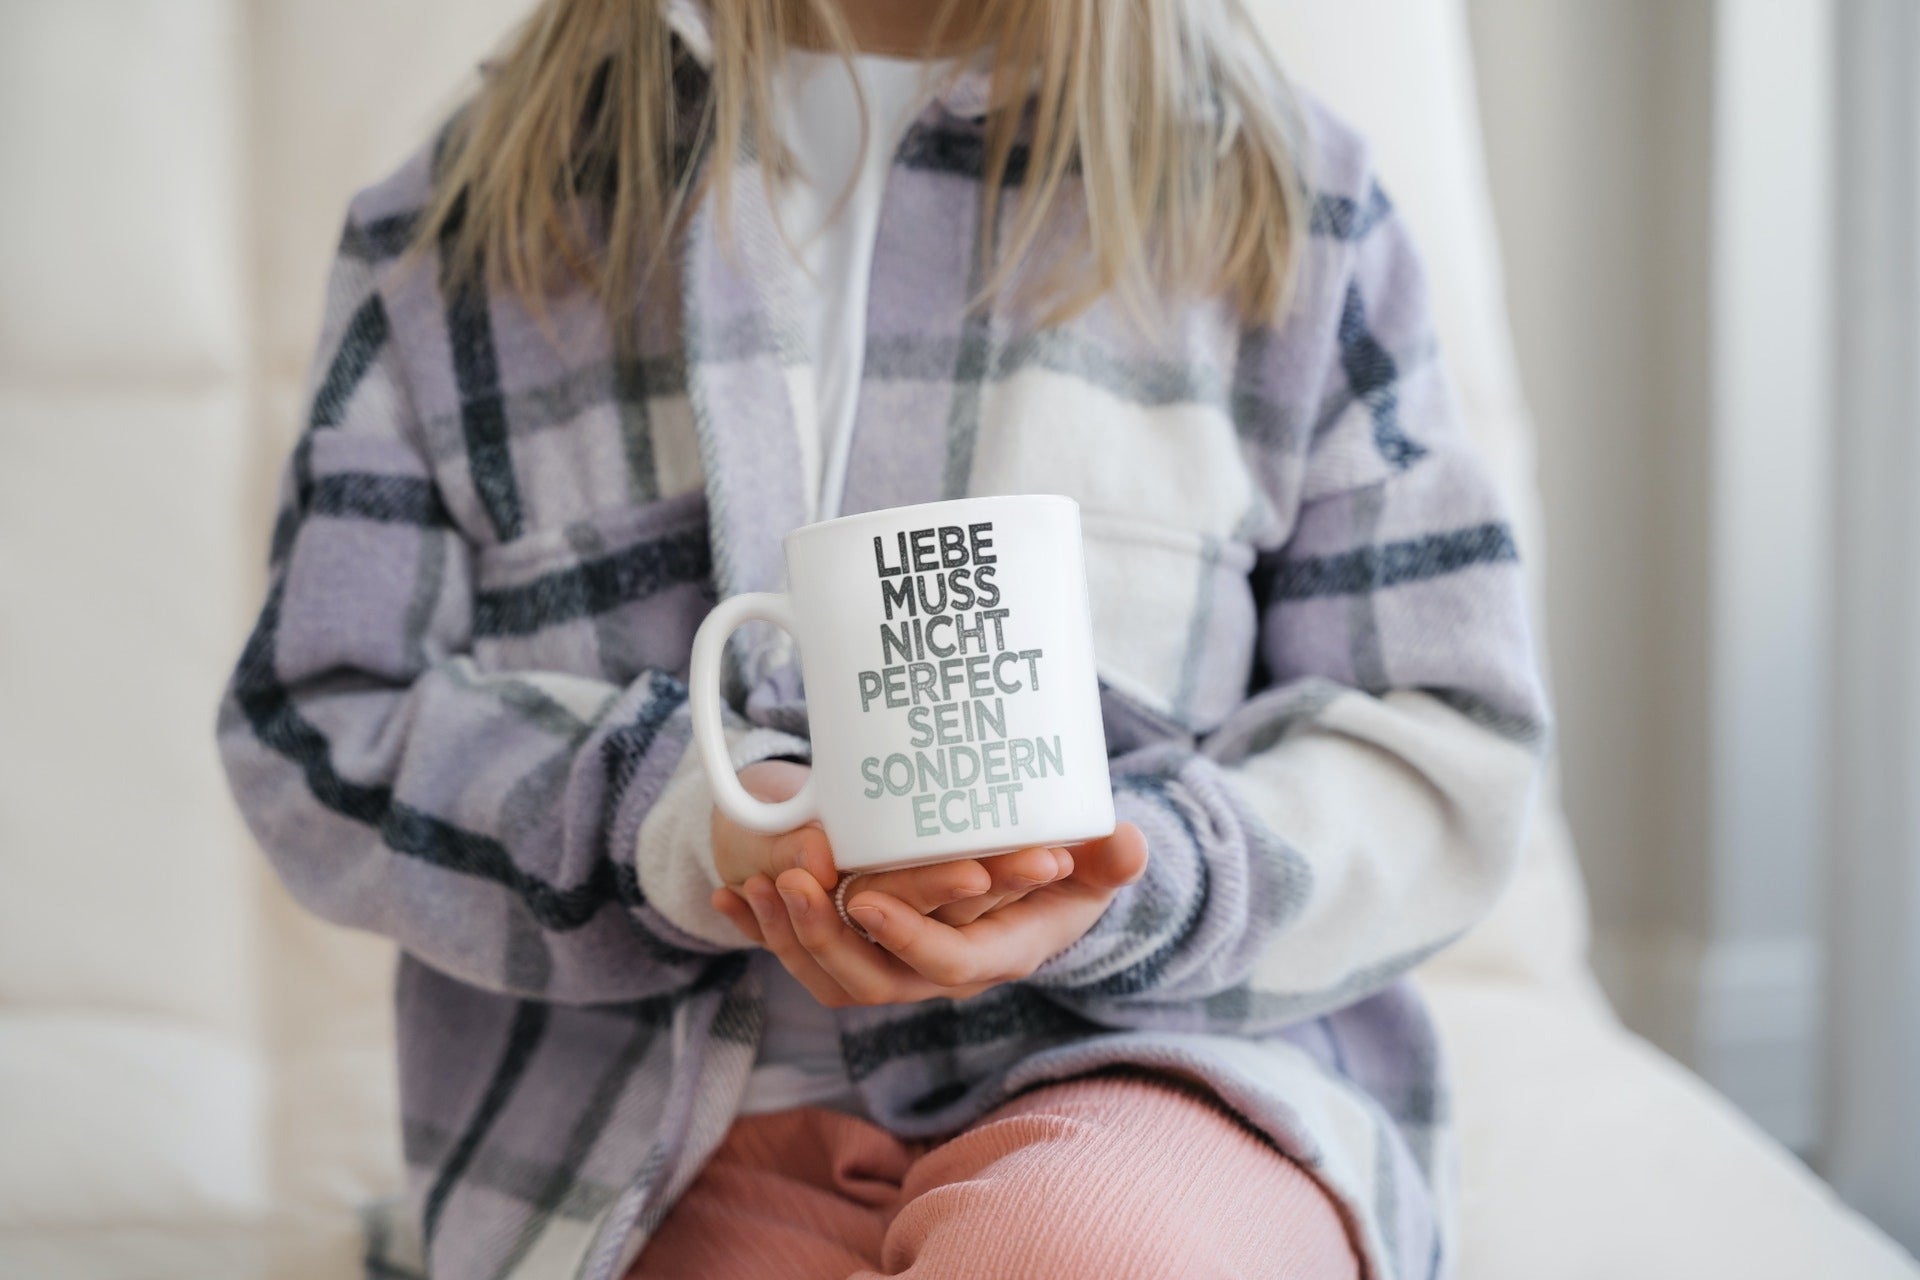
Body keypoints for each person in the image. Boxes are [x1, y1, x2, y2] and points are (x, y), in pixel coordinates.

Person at [217, 0, 1547, 1276]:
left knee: (1081, 1256)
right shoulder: (460, 229)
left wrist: (1141, 878)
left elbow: (1441, 737)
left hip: (1165, 1084)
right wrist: (682, 820)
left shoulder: (1287, 206)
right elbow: (321, 724)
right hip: (652, 1146)